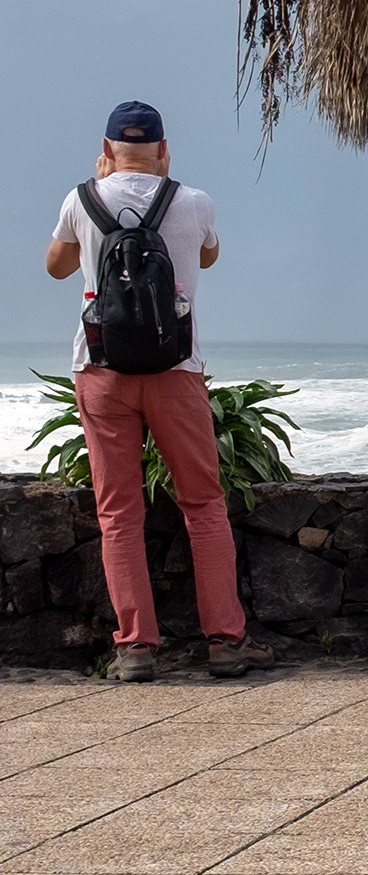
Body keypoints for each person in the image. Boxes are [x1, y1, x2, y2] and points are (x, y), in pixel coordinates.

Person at [45, 102, 271, 680]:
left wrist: (97, 203)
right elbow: (208, 255)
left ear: (107, 148)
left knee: (118, 512)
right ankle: (225, 641)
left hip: (101, 372)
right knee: (203, 504)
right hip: (176, 370)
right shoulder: (193, 201)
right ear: (164, 151)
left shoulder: (81, 200)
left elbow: (57, 267)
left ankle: (136, 649)